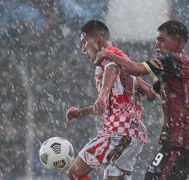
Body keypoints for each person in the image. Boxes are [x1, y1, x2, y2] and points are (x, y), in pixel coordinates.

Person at [96, 20, 189, 180]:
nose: (156, 44)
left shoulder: (170, 59)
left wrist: (108, 54)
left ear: (179, 41)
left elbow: (135, 69)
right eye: (156, 40)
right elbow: (151, 94)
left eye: (162, 40)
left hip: (180, 139)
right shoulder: (181, 67)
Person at [66, 20, 156, 180]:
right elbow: (149, 93)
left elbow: (111, 67)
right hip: (136, 133)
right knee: (111, 177)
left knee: (74, 173)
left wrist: (103, 94)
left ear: (98, 38)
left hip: (118, 131)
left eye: (84, 43)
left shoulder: (108, 54)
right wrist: (82, 112)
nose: (83, 49)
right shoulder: (126, 64)